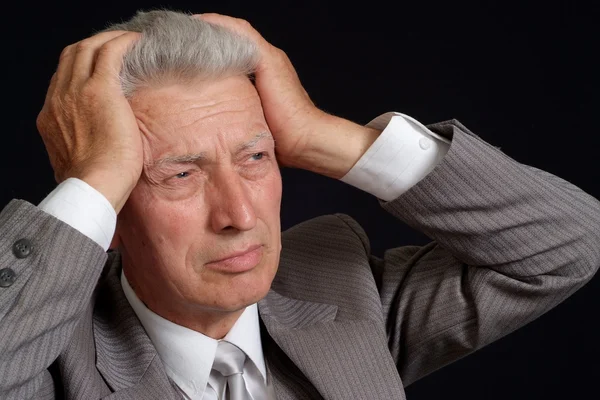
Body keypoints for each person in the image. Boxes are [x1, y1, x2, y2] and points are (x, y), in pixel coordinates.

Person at [0, 9, 598, 400]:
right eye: (179, 174)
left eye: (255, 158)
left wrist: (316, 134)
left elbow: (569, 244)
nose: (238, 214)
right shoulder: (50, 355)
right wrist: (94, 178)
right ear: (108, 209)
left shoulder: (343, 294)